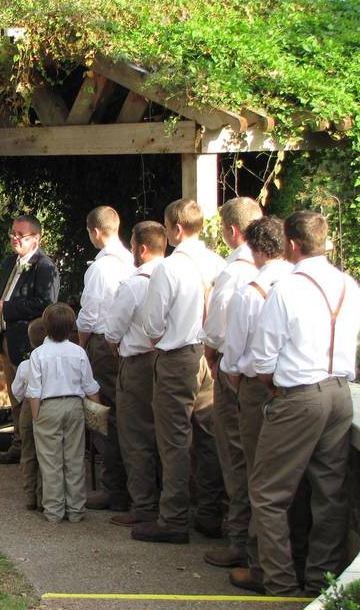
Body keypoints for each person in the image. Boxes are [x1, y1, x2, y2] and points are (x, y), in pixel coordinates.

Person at [248, 211, 360, 597]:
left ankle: (280, 584)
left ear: (292, 245)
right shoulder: (349, 285)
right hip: (340, 394)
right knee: (330, 493)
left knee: (268, 493)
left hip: (298, 395)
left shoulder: (288, 289)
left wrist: (275, 389)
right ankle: (321, 582)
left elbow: (262, 359)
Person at [135, 198, 226, 544]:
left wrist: (162, 339)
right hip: (210, 355)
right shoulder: (218, 262)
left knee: (173, 439)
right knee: (208, 436)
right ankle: (209, 512)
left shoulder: (169, 268)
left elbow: (153, 323)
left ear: (174, 228)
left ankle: (173, 517)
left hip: (178, 356)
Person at [216, 216, 293, 593]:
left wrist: (238, 381)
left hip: (257, 386)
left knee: (251, 471)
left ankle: (253, 556)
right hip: (296, 388)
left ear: (255, 247)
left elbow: (236, 353)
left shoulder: (252, 290)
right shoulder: (307, 284)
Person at [199, 197, 263, 568]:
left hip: (235, 371)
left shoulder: (234, 270)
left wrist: (213, 355)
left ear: (232, 231)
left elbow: (217, 327)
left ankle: (240, 540)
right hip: (272, 378)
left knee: (235, 456)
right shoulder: (281, 268)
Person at [104, 220, 167, 527]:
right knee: (166, 434)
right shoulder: (180, 277)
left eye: (131, 246)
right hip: (170, 362)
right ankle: (170, 502)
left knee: (135, 435)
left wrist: (118, 351)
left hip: (139, 362)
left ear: (141, 249)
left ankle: (143, 505)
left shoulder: (136, 282)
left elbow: (112, 330)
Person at [77, 206, 135, 511]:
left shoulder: (99, 268)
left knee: (99, 412)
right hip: (129, 346)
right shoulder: (132, 260)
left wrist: (80, 346)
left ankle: (113, 486)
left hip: (102, 346)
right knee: (127, 414)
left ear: (96, 232)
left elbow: (89, 315)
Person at [0, 215, 59, 465]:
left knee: (29, 395)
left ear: (36, 238)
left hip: (27, 339)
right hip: (6, 335)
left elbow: (45, 304)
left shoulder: (45, 266)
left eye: (21, 235)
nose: (15, 238)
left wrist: (5, 308)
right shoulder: (11, 262)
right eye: (13, 233)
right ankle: (18, 444)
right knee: (14, 393)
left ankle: (30, 447)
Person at [25, 303, 101, 523]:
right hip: (74, 406)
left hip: (48, 407)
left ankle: (54, 510)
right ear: (71, 327)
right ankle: (76, 510)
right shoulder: (78, 352)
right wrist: (97, 413)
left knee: (50, 462)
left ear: (45, 327)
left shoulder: (38, 354)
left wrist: (36, 417)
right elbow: (91, 387)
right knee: (75, 459)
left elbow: (34, 390)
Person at [8, 318, 48, 510]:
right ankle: (44, 496)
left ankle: (30, 496)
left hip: (27, 407)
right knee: (46, 453)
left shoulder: (26, 365)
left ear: (31, 341)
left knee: (29, 451)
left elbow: (16, 391)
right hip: (48, 405)